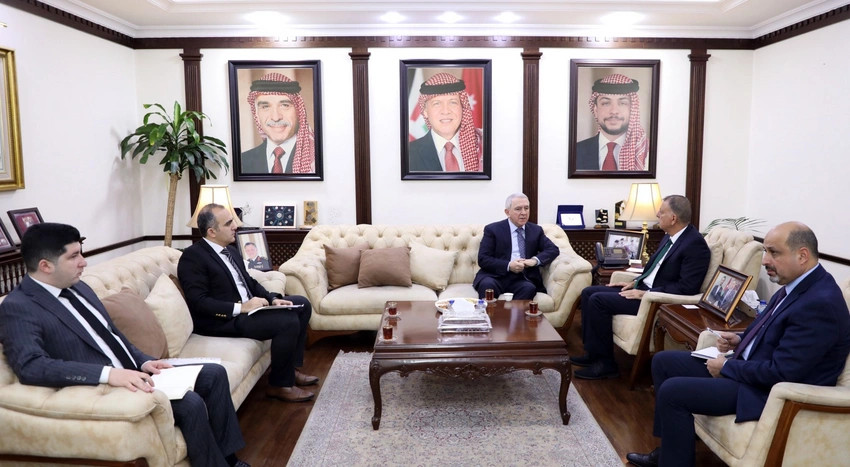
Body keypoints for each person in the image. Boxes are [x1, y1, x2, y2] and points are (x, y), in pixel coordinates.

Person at [0, 223, 249, 467]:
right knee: (190, 403)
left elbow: (113, 334)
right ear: (45, 266)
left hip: (134, 370)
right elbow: (31, 366)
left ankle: (230, 460)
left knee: (215, 374)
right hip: (103, 386)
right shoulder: (19, 307)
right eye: (74, 256)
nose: (84, 262)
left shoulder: (79, 287)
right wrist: (109, 375)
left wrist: (144, 360)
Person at [627, 222, 850, 467]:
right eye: (765, 251)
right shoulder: (798, 283)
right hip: (753, 370)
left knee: (672, 392)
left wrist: (726, 368)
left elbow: (783, 373)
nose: (765, 261)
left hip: (766, 392)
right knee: (663, 362)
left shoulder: (820, 304)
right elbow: (776, 328)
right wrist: (742, 338)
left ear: (802, 255)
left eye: (774, 253)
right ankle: (671, 450)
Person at [178, 203, 318, 402]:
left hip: (249, 310)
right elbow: (199, 302)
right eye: (228, 223)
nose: (235, 226)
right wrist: (242, 308)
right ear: (212, 232)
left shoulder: (231, 250)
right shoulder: (193, 257)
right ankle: (280, 385)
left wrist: (273, 299)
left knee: (302, 304)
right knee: (287, 322)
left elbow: (250, 282)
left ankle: (290, 370)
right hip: (224, 320)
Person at [573, 195, 710, 380]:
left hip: (655, 300)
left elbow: (687, 287)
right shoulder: (669, 237)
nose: (657, 214)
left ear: (673, 218)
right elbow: (655, 271)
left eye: (661, 212)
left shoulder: (695, 245)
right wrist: (635, 282)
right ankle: (592, 354)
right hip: (644, 289)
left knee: (598, 300)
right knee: (588, 292)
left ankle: (605, 365)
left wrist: (646, 292)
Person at [473, 193, 560, 300]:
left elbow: (553, 249)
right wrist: (509, 265)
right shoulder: (493, 230)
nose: (523, 213)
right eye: (518, 209)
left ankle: (514, 312)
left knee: (529, 288)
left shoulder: (535, 230)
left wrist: (534, 260)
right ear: (507, 212)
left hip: (522, 278)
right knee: (487, 285)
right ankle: (492, 312)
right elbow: (483, 259)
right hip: (495, 275)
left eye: (526, 208)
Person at [241, 73, 315, 174]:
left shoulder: (317, 157)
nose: (276, 117)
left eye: (285, 105)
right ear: (257, 115)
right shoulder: (243, 162)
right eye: (265, 107)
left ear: (298, 111)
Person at [408, 72, 483, 172]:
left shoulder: (483, 146)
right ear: (425, 111)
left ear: (463, 107)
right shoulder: (408, 154)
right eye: (437, 103)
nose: (446, 111)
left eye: (453, 102)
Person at [575, 73, 648, 171]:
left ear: (633, 109)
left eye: (622, 103)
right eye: (606, 103)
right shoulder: (575, 152)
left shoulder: (647, 153)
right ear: (596, 110)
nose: (614, 111)